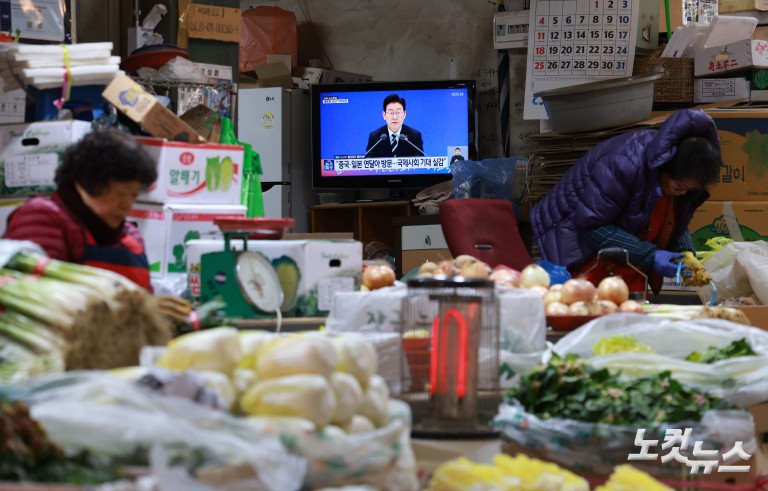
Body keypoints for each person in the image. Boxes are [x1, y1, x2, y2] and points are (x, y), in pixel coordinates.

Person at [530, 108, 722, 295]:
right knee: (585, 304)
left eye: (689, 190)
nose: (682, 194)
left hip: (619, 252)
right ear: (665, 166)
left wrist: (685, 252)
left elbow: (673, 218)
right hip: (574, 237)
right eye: (680, 187)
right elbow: (592, 228)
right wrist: (651, 256)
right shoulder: (622, 163)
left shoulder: (674, 178)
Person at [4, 128, 157, 291]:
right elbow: (30, 292)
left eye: (133, 195)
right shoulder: (41, 216)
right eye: (120, 194)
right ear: (87, 183)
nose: (127, 205)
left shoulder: (132, 236)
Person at [365, 94, 425, 158]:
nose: (394, 117)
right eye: (391, 113)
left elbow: (419, 161)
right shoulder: (375, 137)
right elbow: (369, 161)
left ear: (404, 114)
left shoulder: (415, 136)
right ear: (384, 115)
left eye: (398, 112)